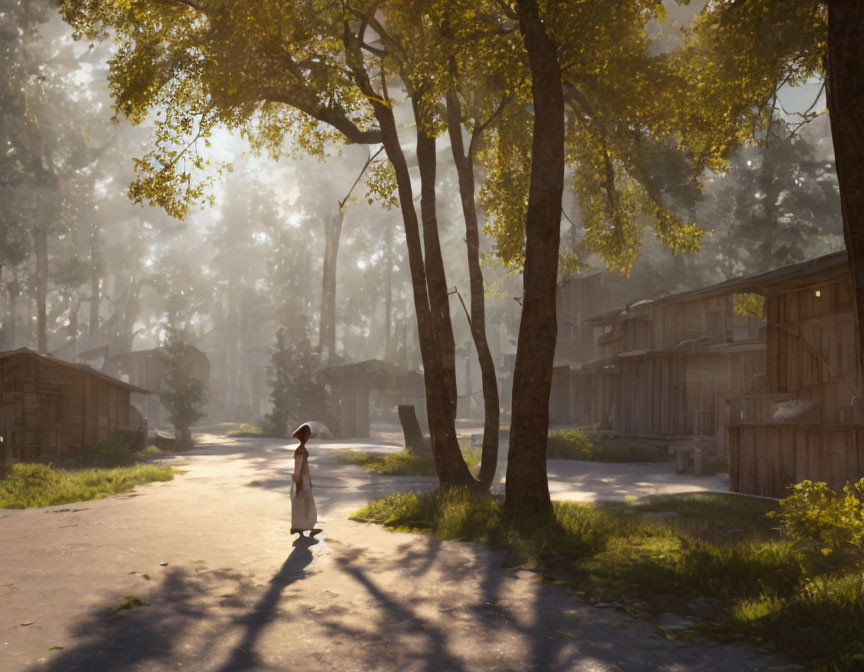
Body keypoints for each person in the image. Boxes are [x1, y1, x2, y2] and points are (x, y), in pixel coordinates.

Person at [290, 423, 321, 538]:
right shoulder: (301, 450)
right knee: (305, 503)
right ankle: (303, 527)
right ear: (304, 435)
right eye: (308, 433)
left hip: (305, 479)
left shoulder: (301, 449)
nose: (310, 435)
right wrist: (298, 481)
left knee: (304, 503)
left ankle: (303, 528)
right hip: (302, 480)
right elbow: (298, 466)